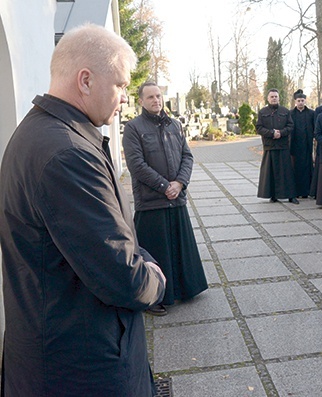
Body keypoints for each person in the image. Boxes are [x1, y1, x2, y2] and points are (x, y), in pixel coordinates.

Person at [0, 24, 166, 396]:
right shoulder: (66, 153)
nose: (125, 97)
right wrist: (155, 279)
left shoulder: (41, 133)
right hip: (83, 368)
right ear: (86, 80)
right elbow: (122, 276)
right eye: (121, 85)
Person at [123, 81, 208, 316]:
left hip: (176, 197)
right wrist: (164, 186)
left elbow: (187, 157)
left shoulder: (175, 125)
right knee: (155, 250)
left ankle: (184, 288)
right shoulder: (133, 128)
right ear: (140, 101)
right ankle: (153, 296)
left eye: (158, 96)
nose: (156, 100)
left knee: (179, 248)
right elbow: (136, 165)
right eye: (150, 97)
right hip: (151, 201)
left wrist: (179, 184)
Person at [255, 89, 298, 204]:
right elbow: (259, 128)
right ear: (268, 98)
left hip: (283, 145)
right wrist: (271, 133)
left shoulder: (285, 111)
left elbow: (290, 126)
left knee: (287, 172)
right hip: (270, 146)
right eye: (272, 96)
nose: (274, 98)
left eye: (276, 96)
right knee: (271, 173)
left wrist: (281, 132)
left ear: (279, 98)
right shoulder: (262, 112)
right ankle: (272, 195)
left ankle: (291, 196)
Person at [290, 89, 316, 198]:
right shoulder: (290, 113)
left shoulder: (311, 113)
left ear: (305, 101)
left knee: (307, 167)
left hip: (307, 145)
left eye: (302, 100)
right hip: (295, 145)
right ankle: (296, 191)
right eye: (298, 100)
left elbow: (315, 128)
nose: (300, 102)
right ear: (295, 101)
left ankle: (307, 191)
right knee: (295, 168)